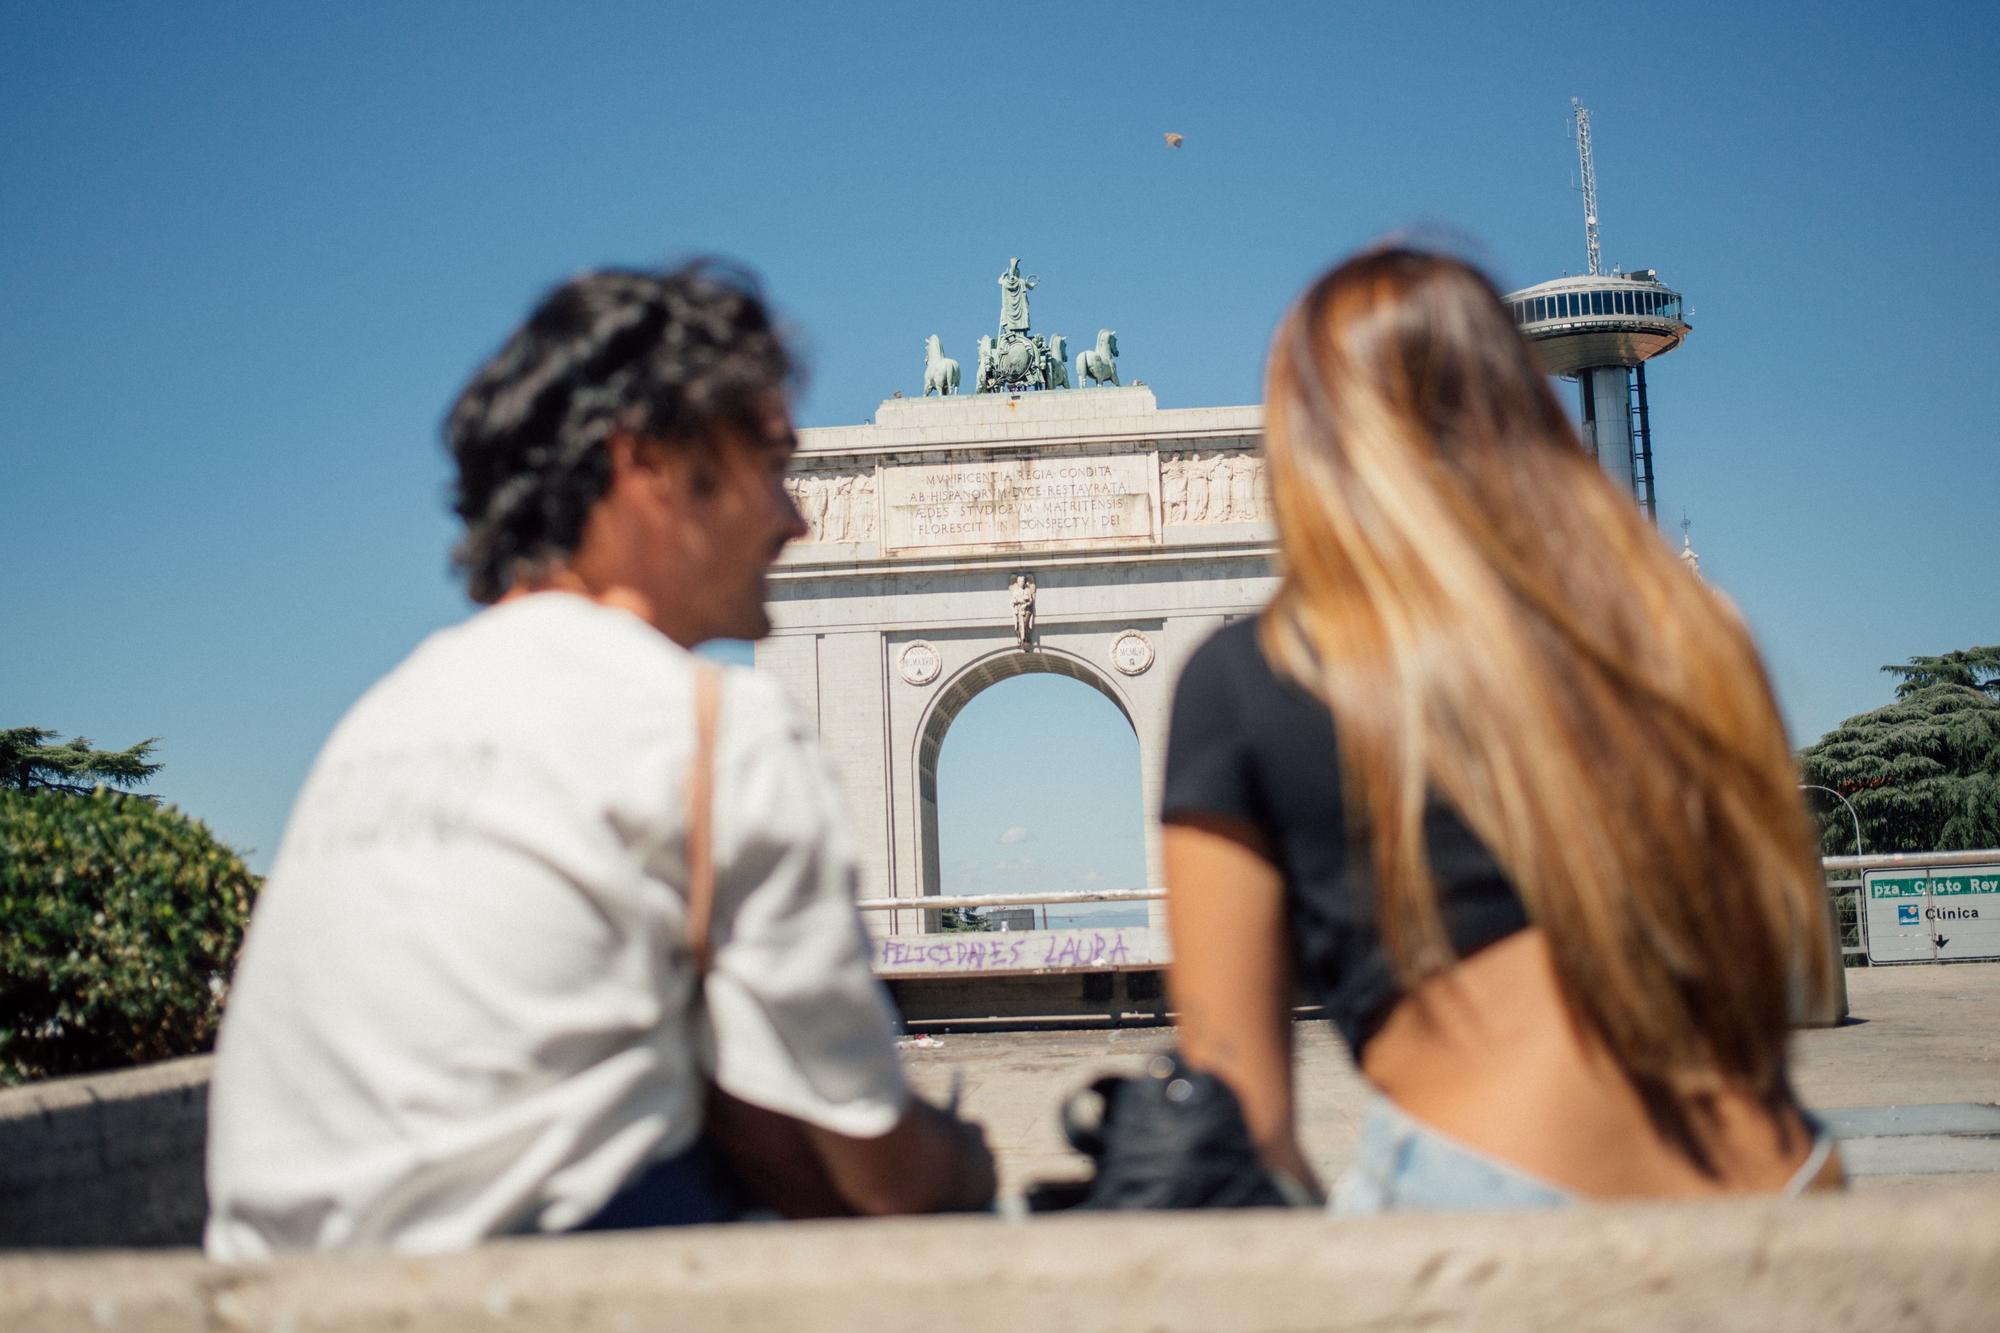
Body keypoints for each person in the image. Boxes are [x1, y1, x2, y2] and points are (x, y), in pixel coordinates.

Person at [205, 264, 994, 1257]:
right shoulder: (709, 725)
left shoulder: (379, 719)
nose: (795, 520)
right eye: (772, 465)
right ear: (648, 465)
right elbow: (883, 1170)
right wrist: (970, 1161)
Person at [1160, 247, 1841, 1213]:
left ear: (1308, 443)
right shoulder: (1696, 630)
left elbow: (1240, 1125)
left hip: (1485, 1188)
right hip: (1791, 1173)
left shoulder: (1255, 674)